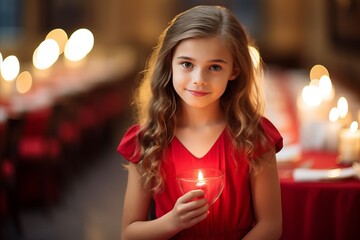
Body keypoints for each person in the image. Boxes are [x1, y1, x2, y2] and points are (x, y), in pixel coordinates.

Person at [118, 5, 283, 240]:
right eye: (187, 64)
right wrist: (172, 222)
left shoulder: (253, 137)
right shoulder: (148, 140)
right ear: (169, 64)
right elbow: (129, 233)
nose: (199, 80)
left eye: (214, 67)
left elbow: (270, 225)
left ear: (234, 70)